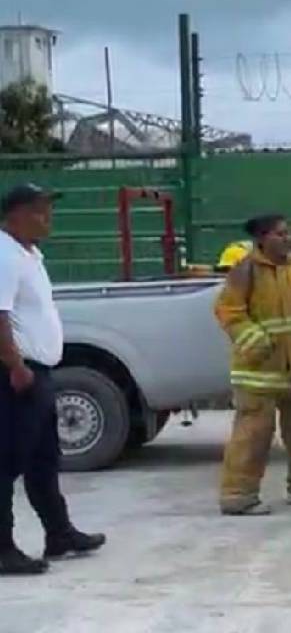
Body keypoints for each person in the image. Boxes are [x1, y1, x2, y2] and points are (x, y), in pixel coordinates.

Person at [0, 184, 106, 576]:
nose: (47, 219)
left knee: (43, 459)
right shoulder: (4, 255)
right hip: (16, 374)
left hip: (37, 371)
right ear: (16, 215)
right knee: (7, 461)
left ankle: (59, 534)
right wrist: (15, 365)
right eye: (39, 211)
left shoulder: (29, 254)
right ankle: (2, 549)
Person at [215, 214, 291, 516]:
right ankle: (238, 496)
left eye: (288, 232)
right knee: (253, 434)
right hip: (259, 373)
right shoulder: (245, 271)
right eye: (280, 234)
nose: (288, 238)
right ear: (262, 238)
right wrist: (255, 340)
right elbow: (229, 311)